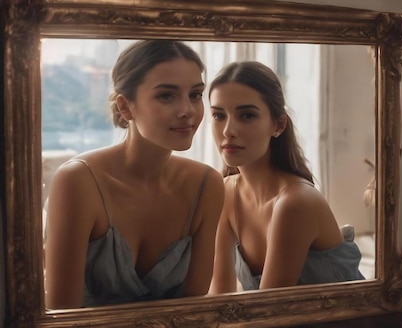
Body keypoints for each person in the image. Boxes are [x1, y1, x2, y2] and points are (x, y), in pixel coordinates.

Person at [44, 40, 225, 309]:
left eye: (195, 95)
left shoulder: (206, 185)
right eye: (166, 95)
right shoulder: (78, 182)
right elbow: (62, 314)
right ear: (126, 107)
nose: (187, 110)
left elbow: (194, 310)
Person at [208, 61, 364, 293]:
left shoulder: (295, 202)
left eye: (247, 115)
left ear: (278, 125)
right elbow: (219, 294)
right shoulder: (226, 192)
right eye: (219, 115)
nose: (228, 130)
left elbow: (269, 311)